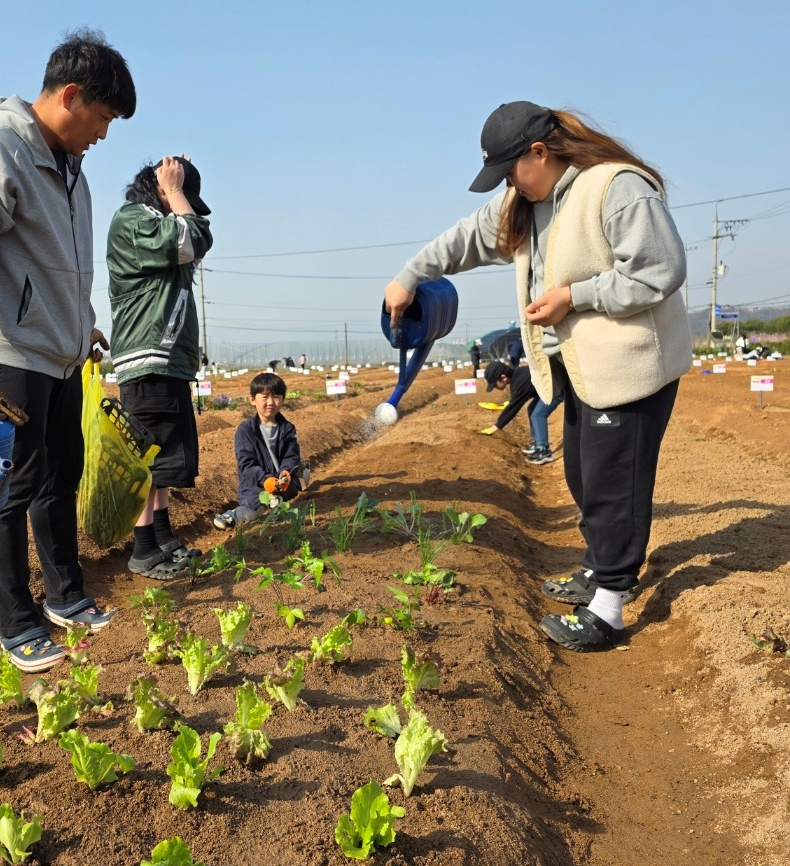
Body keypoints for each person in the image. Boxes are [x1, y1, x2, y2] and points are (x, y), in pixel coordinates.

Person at [383, 101, 691, 652]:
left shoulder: (615, 187)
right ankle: (598, 570)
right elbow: (469, 237)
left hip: (631, 364)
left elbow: (659, 269)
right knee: (581, 471)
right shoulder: (529, 201)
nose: (507, 185)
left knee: (613, 484)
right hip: (581, 367)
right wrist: (410, 276)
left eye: (509, 172)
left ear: (539, 153)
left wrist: (574, 296)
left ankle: (610, 611)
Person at [0, 29, 136, 672]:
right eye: (103, 117)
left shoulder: (72, 169)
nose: (104, 133)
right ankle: (15, 623)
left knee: (62, 475)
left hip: (61, 354)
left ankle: (65, 596)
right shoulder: (1, 149)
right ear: (71, 96)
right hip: (10, 355)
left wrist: (83, 323)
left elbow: (64, 263)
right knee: (9, 489)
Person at [107, 155, 213, 580]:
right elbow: (195, 237)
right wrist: (173, 188)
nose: (184, 206)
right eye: (181, 197)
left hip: (165, 361)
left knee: (166, 459)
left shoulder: (155, 222)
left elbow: (191, 239)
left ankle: (163, 538)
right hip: (148, 358)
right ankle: (144, 549)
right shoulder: (135, 220)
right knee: (148, 460)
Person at [213, 372, 308, 529]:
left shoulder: (287, 428)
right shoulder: (245, 431)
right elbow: (247, 463)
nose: (271, 402)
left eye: (276, 396)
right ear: (252, 400)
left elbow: (291, 456)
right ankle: (233, 515)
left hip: (283, 486)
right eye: (265, 397)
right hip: (255, 486)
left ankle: (276, 501)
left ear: (283, 399)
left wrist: (285, 474)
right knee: (254, 512)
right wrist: (265, 480)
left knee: (284, 508)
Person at [479, 360, 563, 464]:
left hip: (556, 389)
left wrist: (495, 427)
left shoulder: (519, 383)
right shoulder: (518, 375)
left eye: (495, 385)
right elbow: (517, 399)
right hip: (547, 389)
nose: (495, 388)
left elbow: (513, 408)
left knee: (538, 414)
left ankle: (543, 450)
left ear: (503, 377)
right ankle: (536, 443)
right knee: (531, 409)